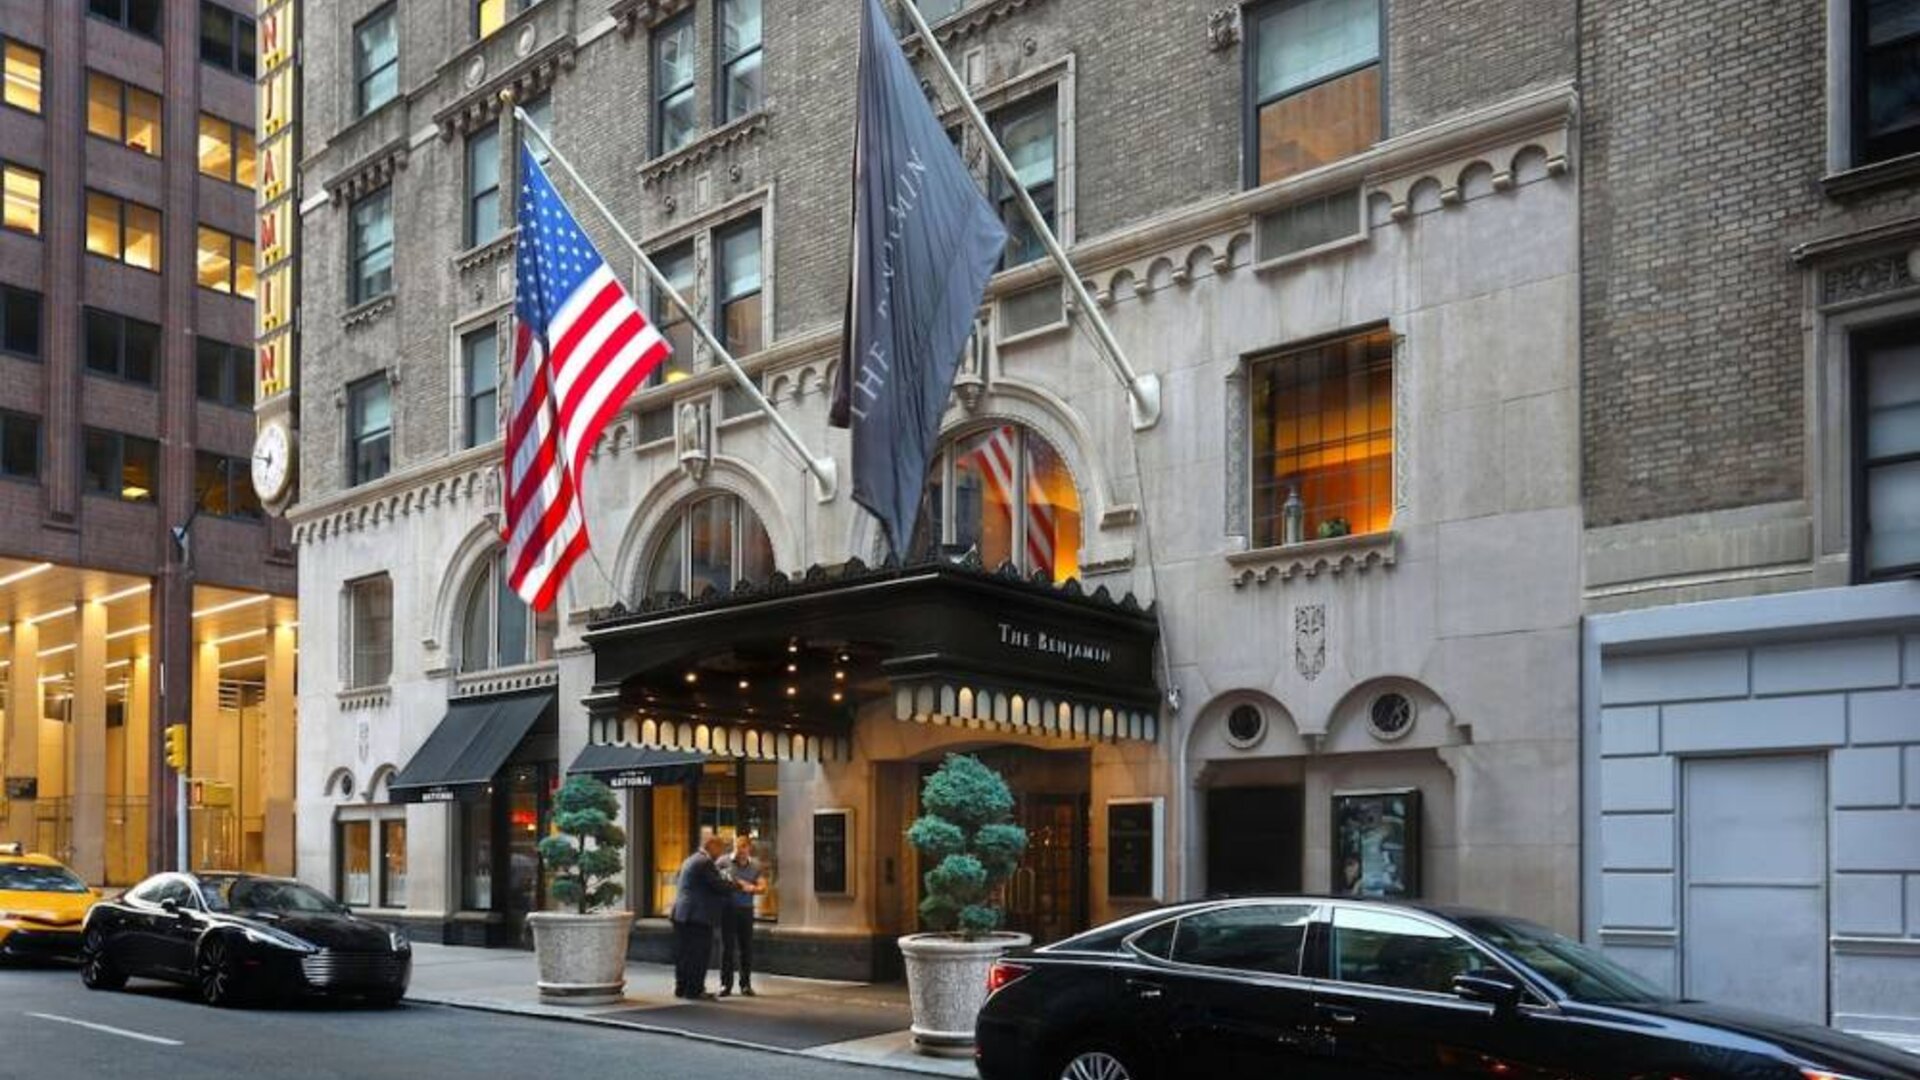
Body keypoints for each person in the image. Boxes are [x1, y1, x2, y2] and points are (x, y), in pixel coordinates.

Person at [670, 833, 741, 1000]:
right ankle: (694, 990)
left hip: (682, 914)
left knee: (684, 954)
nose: (721, 852)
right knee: (698, 954)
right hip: (697, 916)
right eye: (720, 848)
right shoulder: (705, 862)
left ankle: (682, 987)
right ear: (711, 846)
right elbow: (718, 885)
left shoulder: (691, 859)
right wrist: (738, 885)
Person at [715, 834, 767, 997]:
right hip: (727, 910)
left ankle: (745, 985)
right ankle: (726, 985)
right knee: (727, 949)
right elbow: (716, 882)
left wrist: (749, 888)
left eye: (743, 850)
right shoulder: (723, 862)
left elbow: (763, 887)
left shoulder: (756, 865)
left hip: (746, 910)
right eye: (737, 850)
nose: (740, 854)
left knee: (746, 949)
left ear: (748, 849)